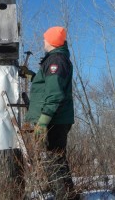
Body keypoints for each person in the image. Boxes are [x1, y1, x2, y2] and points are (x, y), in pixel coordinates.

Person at [19, 26, 79, 200]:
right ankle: (66, 195)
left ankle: (66, 196)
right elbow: (48, 83)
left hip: (55, 119)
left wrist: (43, 121)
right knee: (54, 160)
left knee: (55, 162)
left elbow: (55, 93)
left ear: (52, 42)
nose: (43, 42)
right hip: (55, 118)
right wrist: (30, 75)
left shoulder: (56, 61)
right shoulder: (54, 60)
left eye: (45, 39)